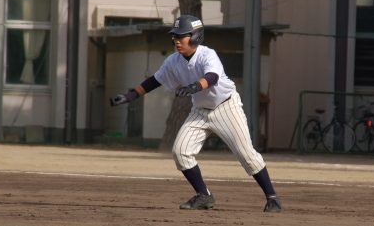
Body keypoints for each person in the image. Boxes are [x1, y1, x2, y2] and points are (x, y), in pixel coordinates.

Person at [110, 15, 282, 213]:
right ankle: (204, 195)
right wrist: (129, 96)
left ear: (196, 37)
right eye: (175, 36)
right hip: (200, 111)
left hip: (226, 107)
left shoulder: (207, 55)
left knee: (247, 155)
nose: (176, 40)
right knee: (180, 151)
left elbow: (213, 77)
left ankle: (272, 198)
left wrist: (194, 86)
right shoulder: (173, 61)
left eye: (181, 36)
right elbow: (154, 81)